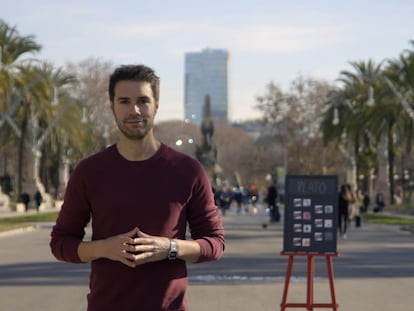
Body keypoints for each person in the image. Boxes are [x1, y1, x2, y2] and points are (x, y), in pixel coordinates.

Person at [50, 64, 225, 311]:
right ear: (112, 107)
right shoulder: (89, 172)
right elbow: (60, 243)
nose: (134, 110)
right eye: (124, 101)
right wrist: (103, 248)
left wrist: (170, 248)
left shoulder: (188, 170)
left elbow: (214, 244)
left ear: (156, 105)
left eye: (143, 100)